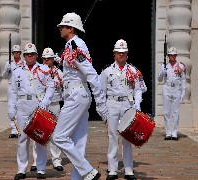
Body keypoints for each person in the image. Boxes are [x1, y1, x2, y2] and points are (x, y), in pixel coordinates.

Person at [51, 12, 109, 180]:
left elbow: (91, 74)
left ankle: (88, 171)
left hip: (76, 96)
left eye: (62, 26)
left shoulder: (76, 45)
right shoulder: (72, 45)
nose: (60, 29)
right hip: (77, 95)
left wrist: (101, 105)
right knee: (78, 143)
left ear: (71, 28)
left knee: (59, 137)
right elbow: (72, 68)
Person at [100, 39, 147, 180]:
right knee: (113, 136)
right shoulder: (106, 71)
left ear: (127, 54)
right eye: (118, 52)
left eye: (123, 52)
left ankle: (128, 170)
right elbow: (101, 92)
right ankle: (113, 169)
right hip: (112, 103)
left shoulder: (134, 71)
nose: (121, 55)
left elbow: (139, 89)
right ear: (114, 54)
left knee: (128, 137)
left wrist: (137, 105)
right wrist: (103, 113)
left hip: (127, 104)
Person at [8, 43, 55, 180]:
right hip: (22, 105)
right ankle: (22, 169)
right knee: (22, 139)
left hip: (37, 105)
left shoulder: (44, 69)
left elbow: (51, 86)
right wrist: (11, 109)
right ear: (24, 56)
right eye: (27, 54)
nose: (30, 56)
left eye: (32, 54)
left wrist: (45, 102)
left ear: (36, 55)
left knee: (40, 138)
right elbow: (12, 92)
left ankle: (41, 169)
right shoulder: (17, 71)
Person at [30, 47, 65, 172]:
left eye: (49, 59)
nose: (46, 61)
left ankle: (56, 160)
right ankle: (36, 160)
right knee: (37, 132)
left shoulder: (59, 73)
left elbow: (65, 88)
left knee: (55, 133)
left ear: (53, 59)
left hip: (54, 104)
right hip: (40, 105)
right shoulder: (37, 72)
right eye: (44, 59)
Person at [158, 47, 186, 141]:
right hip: (167, 88)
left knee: (175, 112)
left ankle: (174, 133)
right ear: (168, 56)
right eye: (171, 55)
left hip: (176, 89)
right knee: (166, 112)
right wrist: (163, 72)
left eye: (174, 55)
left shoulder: (181, 66)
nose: (172, 56)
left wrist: (183, 93)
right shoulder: (164, 66)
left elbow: (183, 80)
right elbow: (159, 79)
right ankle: (168, 133)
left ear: (176, 55)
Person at [2, 44, 25, 138]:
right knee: (12, 108)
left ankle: (22, 127)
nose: (16, 54)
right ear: (12, 53)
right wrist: (7, 70)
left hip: (21, 87)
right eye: (15, 52)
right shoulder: (9, 63)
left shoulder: (23, 63)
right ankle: (14, 129)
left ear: (20, 53)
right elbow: (4, 76)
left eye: (18, 52)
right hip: (12, 87)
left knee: (21, 107)